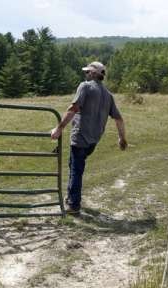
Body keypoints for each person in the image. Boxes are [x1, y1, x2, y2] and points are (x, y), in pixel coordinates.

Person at [50, 61, 127, 214]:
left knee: (76, 170)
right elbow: (118, 119)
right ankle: (71, 196)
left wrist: (59, 129)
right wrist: (122, 138)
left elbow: (73, 109)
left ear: (93, 74)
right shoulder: (108, 95)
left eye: (87, 72)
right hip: (93, 140)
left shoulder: (85, 86)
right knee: (74, 166)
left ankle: (73, 205)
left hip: (80, 137)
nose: (85, 75)